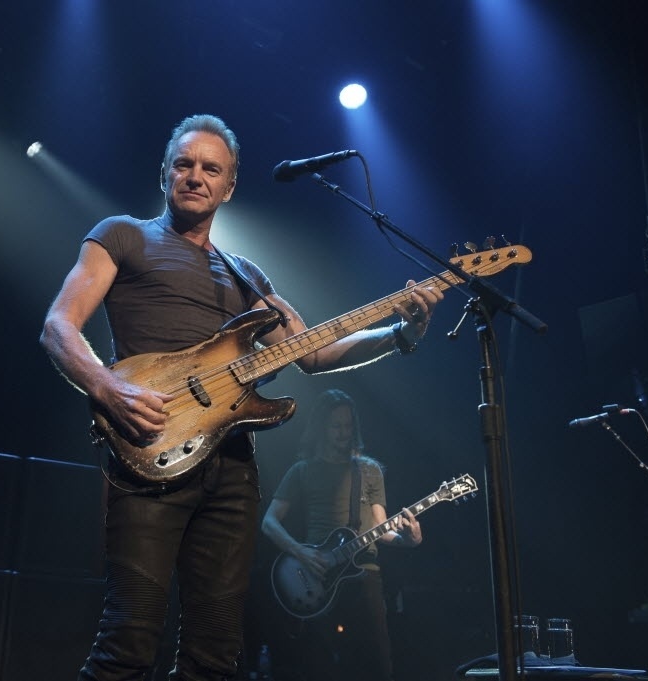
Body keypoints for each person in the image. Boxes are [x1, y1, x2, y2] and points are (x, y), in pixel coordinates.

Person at [40, 113, 442, 681]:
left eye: (211, 169)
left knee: (215, 654)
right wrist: (108, 387)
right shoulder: (122, 234)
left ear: (229, 187)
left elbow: (315, 352)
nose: (195, 176)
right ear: (164, 173)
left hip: (230, 472)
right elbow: (58, 326)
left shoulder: (246, 274)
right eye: (184, 164)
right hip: (148, 447)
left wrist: (401, 332)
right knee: (128, 643)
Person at [261, 388, 422, 681]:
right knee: (322, 668)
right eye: (336, 426)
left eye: (348, 426)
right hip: (317, 576)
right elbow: (269, 522)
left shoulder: (369, 470)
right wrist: (300, 551)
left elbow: (380, 528)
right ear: (322, 427)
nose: (343, 432)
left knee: (377, 666)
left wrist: (409, 540)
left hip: (365, 574)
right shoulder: (302, 470)